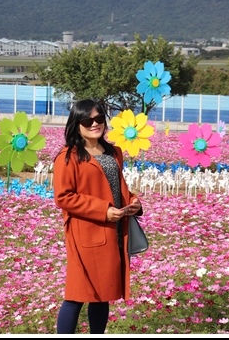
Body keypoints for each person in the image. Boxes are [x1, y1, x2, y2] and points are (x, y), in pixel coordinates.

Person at [53, 99, 143, 334]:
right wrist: (103, 210)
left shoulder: (114, 152)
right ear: (76, 124)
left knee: (102, 294)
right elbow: (64, 197)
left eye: (99, 118)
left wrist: (133, 202)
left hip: (113, 231)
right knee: (76, 294)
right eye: (87, 120)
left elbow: (117, 186)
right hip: (86, 232)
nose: (95, 124)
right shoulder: (68, 156)